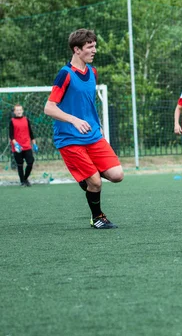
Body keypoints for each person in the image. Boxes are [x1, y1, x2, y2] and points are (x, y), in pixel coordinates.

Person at [44, 28, 124, 229]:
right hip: (70, 139)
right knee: (96, 183)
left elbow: (88, 103)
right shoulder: (65, 74)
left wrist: (99, 126)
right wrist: (74, 120)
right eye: (90, 47)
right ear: (77, 49)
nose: (94, 50)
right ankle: (97, 217)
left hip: (93, 136)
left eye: (95, 46)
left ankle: (85, 177)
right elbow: (49, 107)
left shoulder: (93, 72)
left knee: (117, 175)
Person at [9, 104, 37, 187]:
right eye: (17, 110)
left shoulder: (26, 120)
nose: (19, 111)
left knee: (30, 162)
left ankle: (25, 178)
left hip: (27, 146)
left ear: (22, 110)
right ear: (14, 112)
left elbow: (31, 133)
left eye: (20, 110)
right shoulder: (12, 121)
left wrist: (34, 144)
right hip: (17, 147)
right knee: (20, 164)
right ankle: (22, 181)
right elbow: (11, 135)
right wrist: (16, 144)